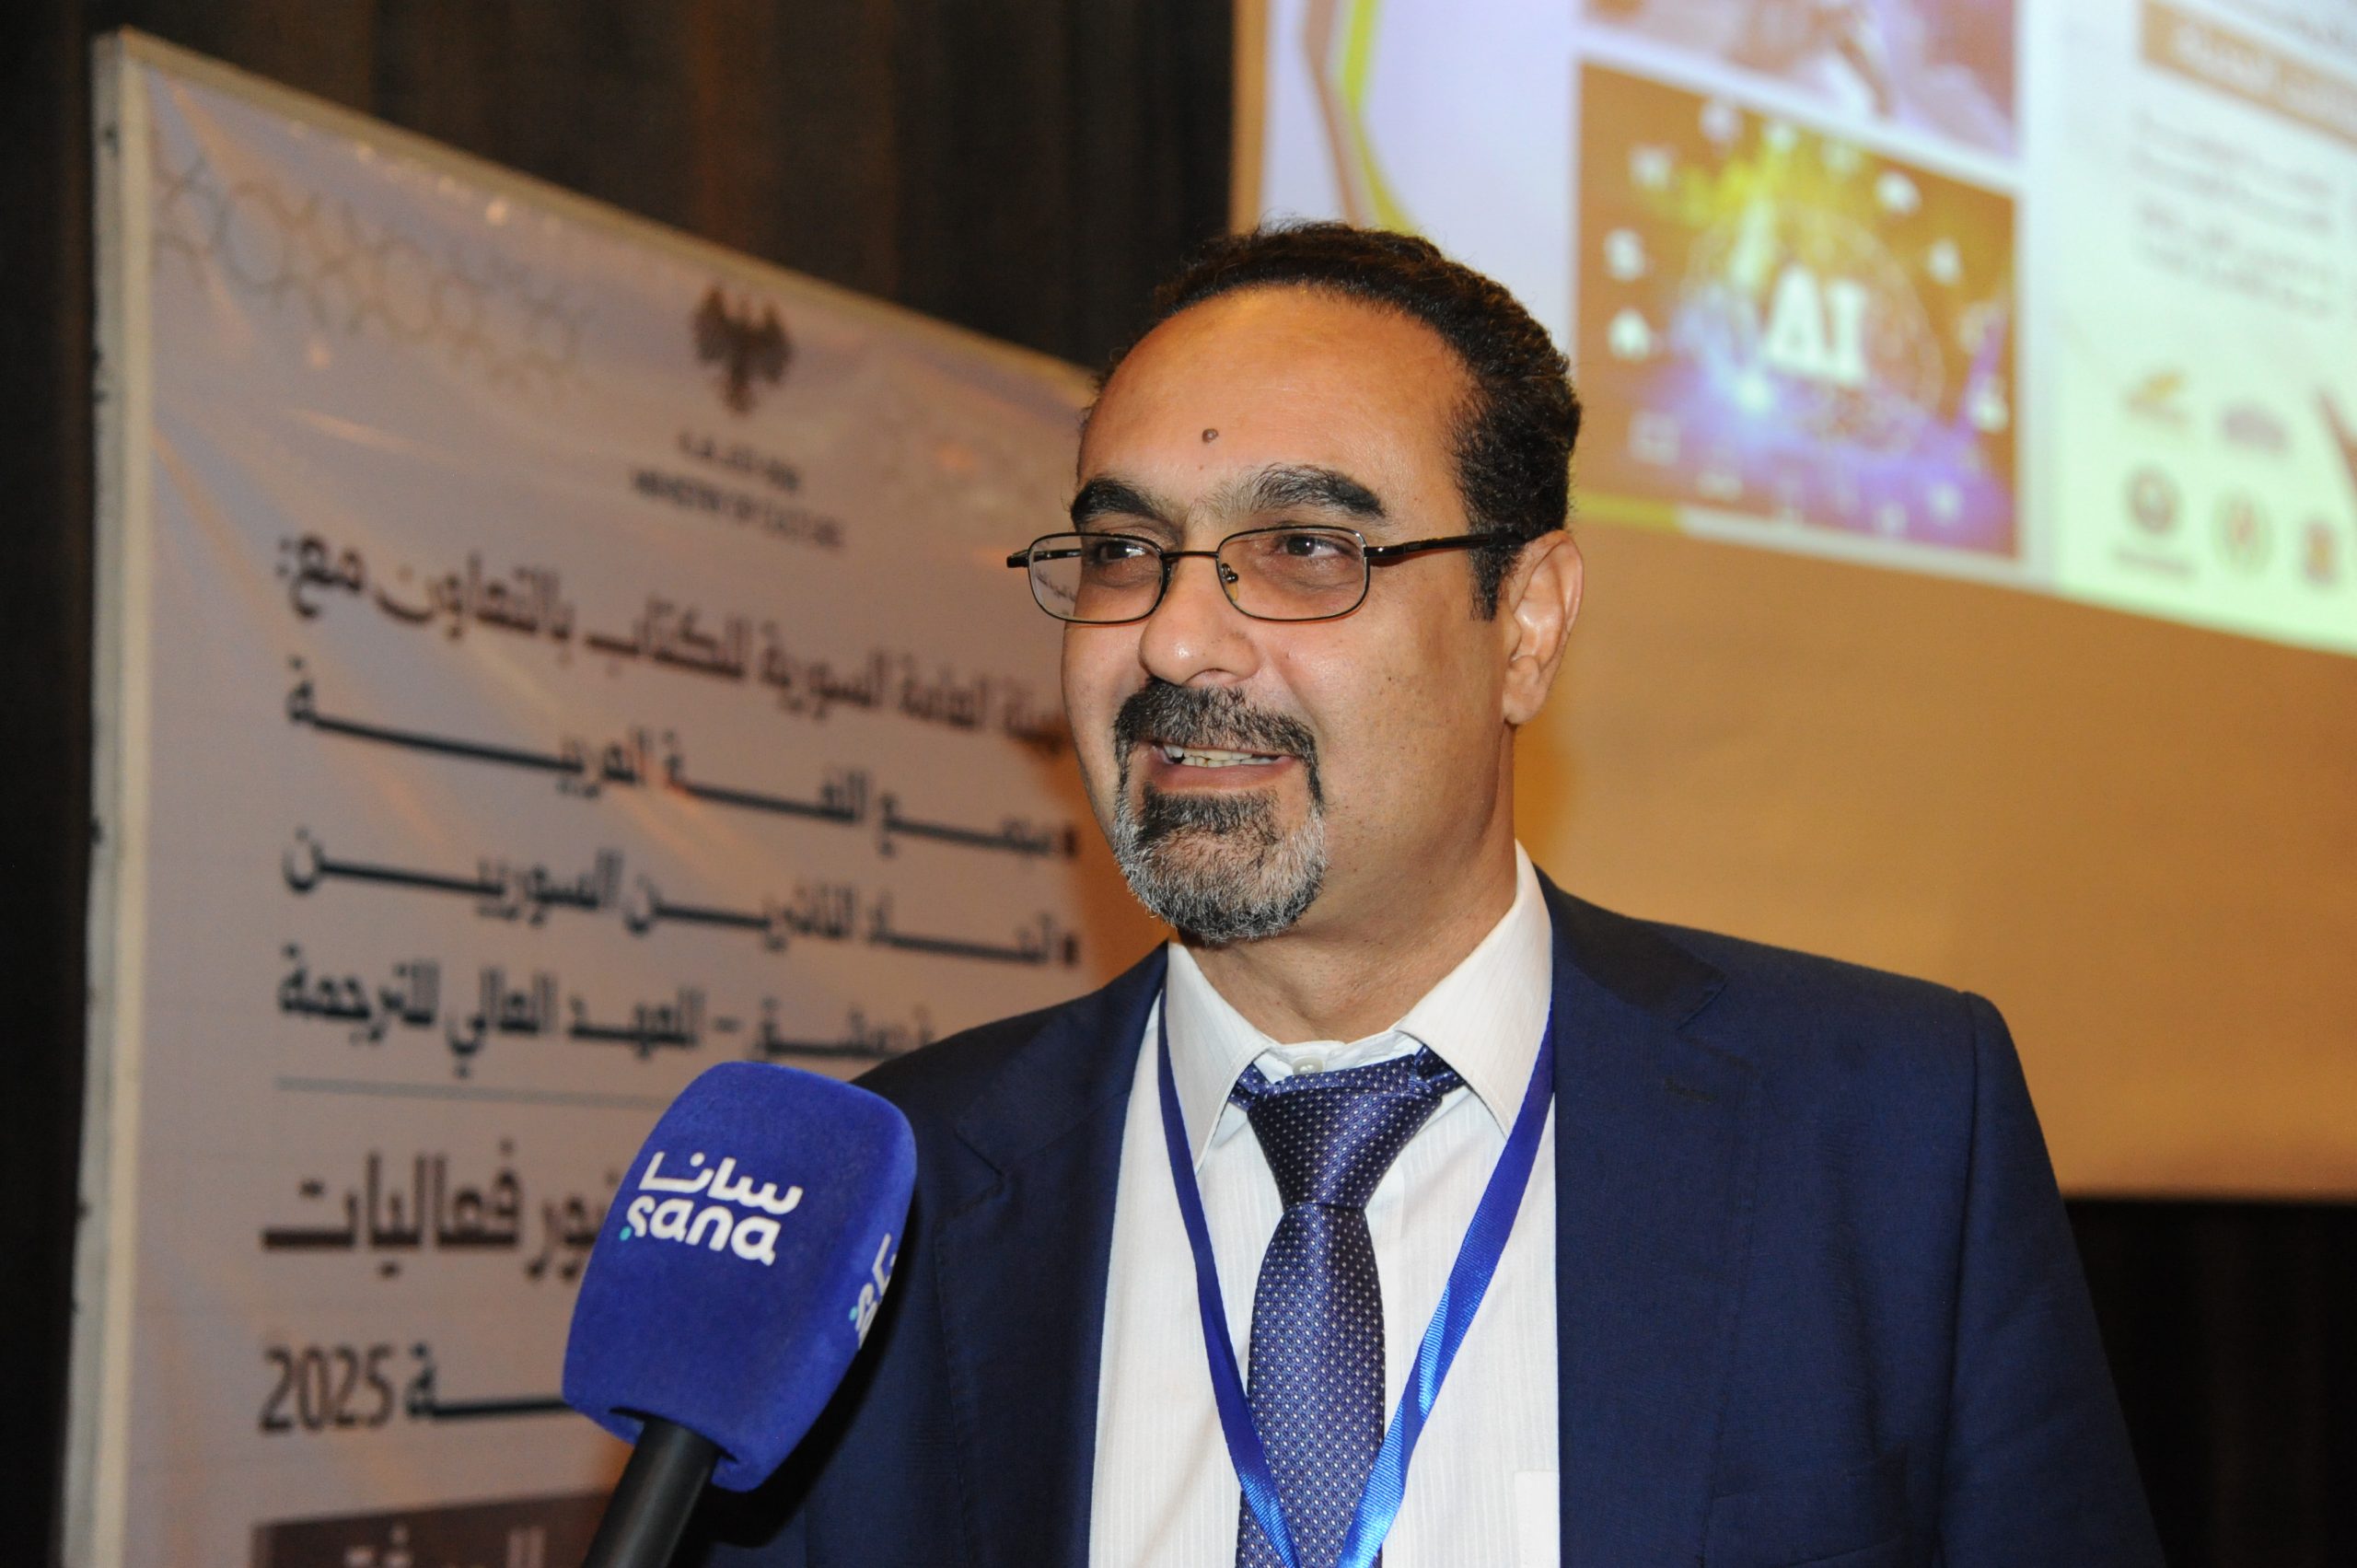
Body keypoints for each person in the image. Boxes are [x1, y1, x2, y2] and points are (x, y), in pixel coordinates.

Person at [688, 223, 2159, 1566]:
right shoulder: (887, 1199)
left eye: (1304, 551)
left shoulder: (1890, 1135)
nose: (1177, 641)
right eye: (1129, 552)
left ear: (1529, 625)